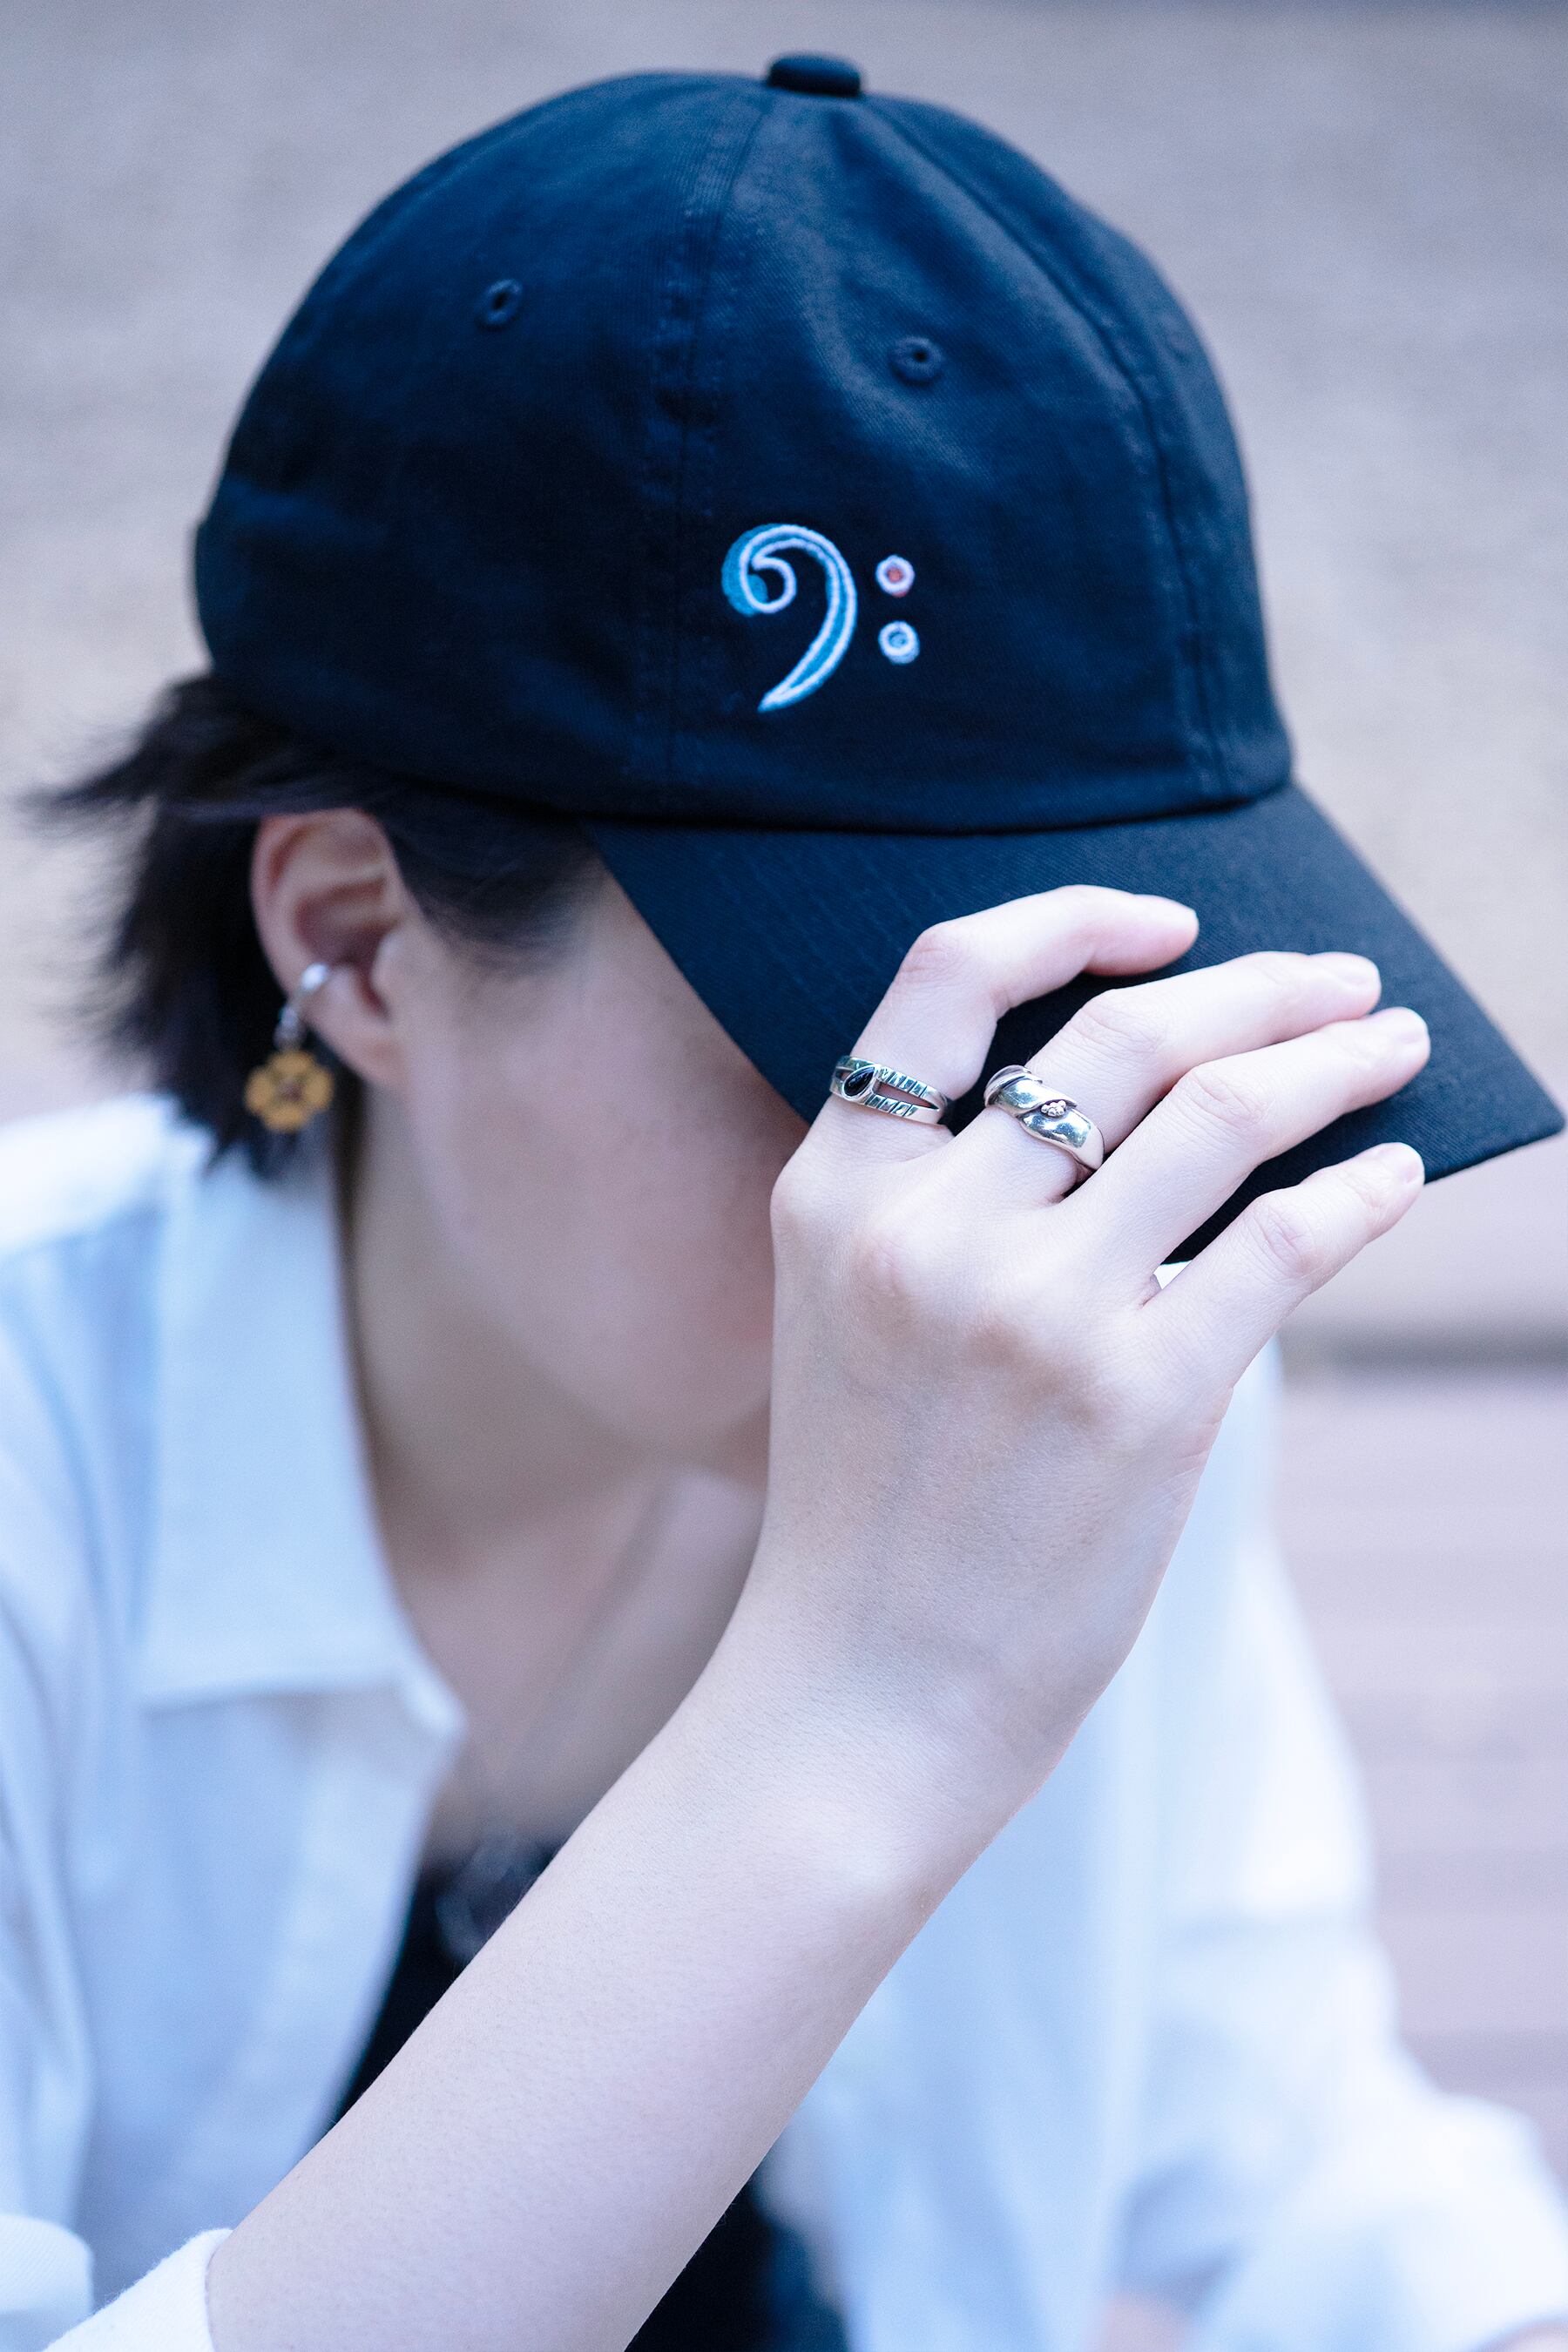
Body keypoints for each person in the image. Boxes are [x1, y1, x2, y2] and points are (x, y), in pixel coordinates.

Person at [2, 52, 1565, 2352]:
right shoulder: (40, 1489)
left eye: (1100, 1043)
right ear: (353, 939)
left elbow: (1298, 2161)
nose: (998, 1197)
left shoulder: (1074, 1331)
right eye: (862, 1044)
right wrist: (863, 1713)